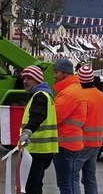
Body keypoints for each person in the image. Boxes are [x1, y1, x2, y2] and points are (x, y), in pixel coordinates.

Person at [17, 65, 58, 194]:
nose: (25, 81)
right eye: (24, 78)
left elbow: (37, 116)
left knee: (32, 187)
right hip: (41, 150)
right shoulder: (43, 95)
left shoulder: (40, 96)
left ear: (37, 80)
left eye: (29, 78)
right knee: (35, 185)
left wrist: (27, 131)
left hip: (37, 151)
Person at [52, 58, 87, 194]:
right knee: (71, 181)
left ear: (66, 74)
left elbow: (55, 116)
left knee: (65, 184)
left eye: (56, 72)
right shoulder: (75, 89)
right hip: (72, 142)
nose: (54, 75)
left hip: (64, 144)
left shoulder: (68, 92)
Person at [73, 65, 103, 194]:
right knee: (89, 177)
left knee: (73, 175)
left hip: (82, 141)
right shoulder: (101, 96)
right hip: (97, 142)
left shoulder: (81, 96)